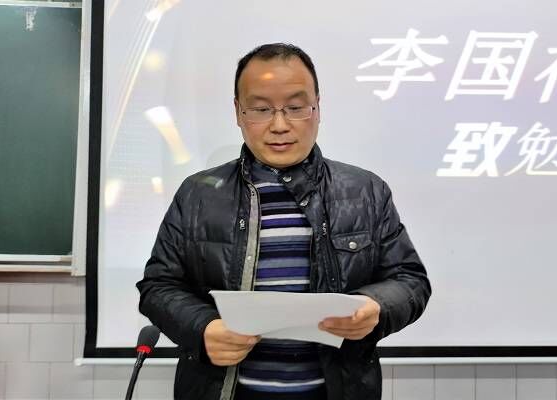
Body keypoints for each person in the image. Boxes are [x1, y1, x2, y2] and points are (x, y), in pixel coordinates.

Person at [136, 43, 431, 400]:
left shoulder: (365, 190)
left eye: (295, 108)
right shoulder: (197, 194)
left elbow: (410, 281)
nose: (279, 125)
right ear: (238, 112)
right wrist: (203, 328)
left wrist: (376, 306)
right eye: (261, 109)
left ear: (317, 108)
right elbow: (158, 286)